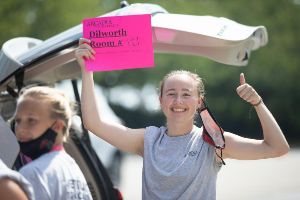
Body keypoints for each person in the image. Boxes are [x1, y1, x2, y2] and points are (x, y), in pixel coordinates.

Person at [75, 38, 290, 200]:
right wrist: (88, 71)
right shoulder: (148, 140)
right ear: (160, 100)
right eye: (171, 93)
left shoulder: (213, 141)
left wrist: (258, 103)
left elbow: (277, 148)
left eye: (186, 94)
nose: (178, 100)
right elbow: (94, 124)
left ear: (199, 101)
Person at [13, 86, 93, 200]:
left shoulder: (33, 173)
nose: (20, 129)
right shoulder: (73, 169)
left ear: (57, 126)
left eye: (31, 120)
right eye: (17, 121)